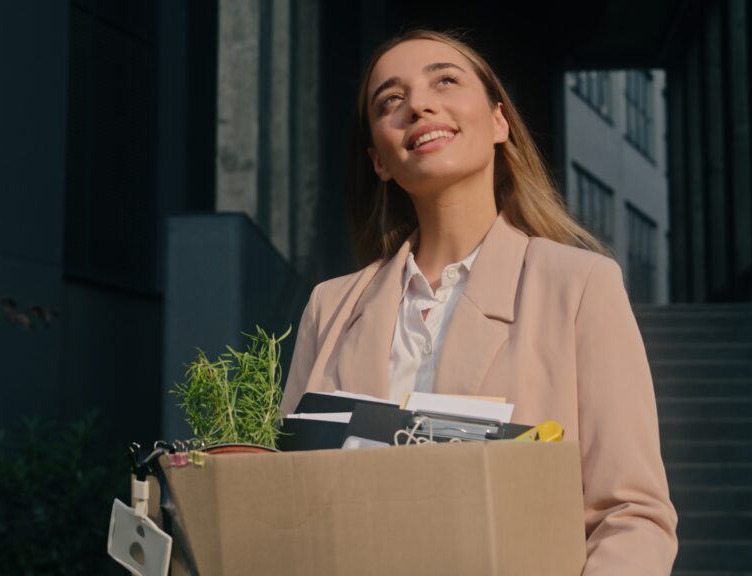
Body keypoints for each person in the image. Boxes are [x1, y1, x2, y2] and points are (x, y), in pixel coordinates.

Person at [280, 29, 677, 575]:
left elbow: (632, 515)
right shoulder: (331, 306)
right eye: (390, 101)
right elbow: (289, 503)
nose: (418, 104)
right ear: (379, 161)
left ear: (498, 121)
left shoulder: (580, 285)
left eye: (444, 80)